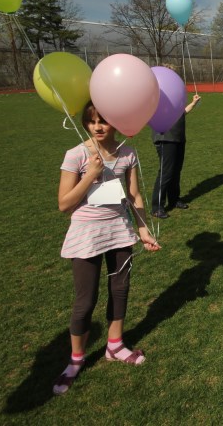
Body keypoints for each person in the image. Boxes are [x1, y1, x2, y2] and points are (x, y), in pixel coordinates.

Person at [53, 102, 161, 395]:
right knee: (85, 300)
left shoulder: (128, 152)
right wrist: (90, 173)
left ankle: (115, 345)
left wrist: (143, 230)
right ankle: (76, 359)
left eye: (103, 120)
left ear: (115, 122)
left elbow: (134, 195)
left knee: (120, 290)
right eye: (92, 121)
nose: (98, 127)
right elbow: (64, 204)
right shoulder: (76, 154)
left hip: (119, 231)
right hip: (86, 235)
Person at [151, 79, 201, 219]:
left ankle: (174, 199)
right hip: (165, 138)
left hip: (179, 137)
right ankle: (157, 207)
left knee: (176, 171)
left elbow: (182, 113)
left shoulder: (175, 100)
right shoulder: (158, 97)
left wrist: (193, 103)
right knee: (166, 172)